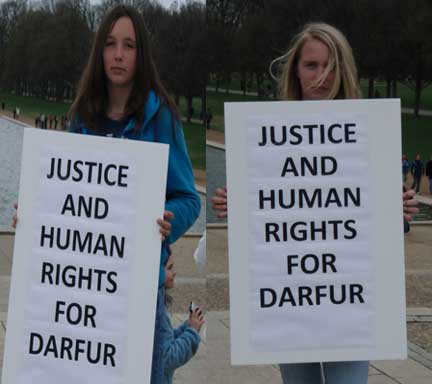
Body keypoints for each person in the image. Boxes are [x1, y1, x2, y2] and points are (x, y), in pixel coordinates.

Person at [212, 22, 419, 384]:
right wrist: (239, 208)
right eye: (311, 65)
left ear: (344, 70)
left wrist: (396, 211)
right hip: (290, 306)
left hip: (349, 309)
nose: (321, 76)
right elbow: (269, 221)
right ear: (295, 70)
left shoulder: (368, 132)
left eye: (330, 65)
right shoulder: (266, 139)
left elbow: (376, 224)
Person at [66, 5, 200, 383]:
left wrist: (163, 224)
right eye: (110, 44)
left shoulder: (162, 117)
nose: (119, 54)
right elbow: (65, 197)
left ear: (141, 54)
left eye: (128, 45)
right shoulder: (81, 117)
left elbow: (189, 199)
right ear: (100, 52)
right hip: (89, 285)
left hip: (143, 285)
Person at [161, 245, 203, 383]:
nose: (174, 273)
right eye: (170, 268)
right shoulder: (158, 313)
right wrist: (191, 333)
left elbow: (163, 341)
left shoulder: (154, 304)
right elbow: (168, 359)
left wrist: (187, 327)